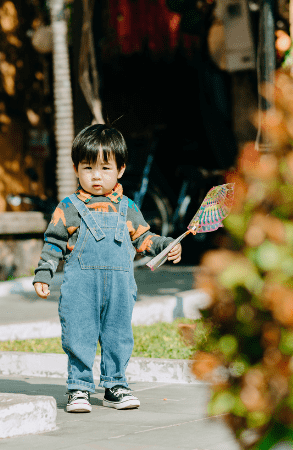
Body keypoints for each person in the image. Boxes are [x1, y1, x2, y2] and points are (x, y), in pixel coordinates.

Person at [33, 124, 183, 413]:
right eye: (88, 168)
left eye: (105, 168)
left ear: (121, 169)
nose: (96, 176)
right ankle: (79, 388)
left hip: (119, 288)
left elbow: (142, 238)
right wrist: (44, 274)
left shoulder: (127, 207)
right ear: (76, 168)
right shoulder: (69, 207)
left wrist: (165, 244)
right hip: (80, 287)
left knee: (118, 335)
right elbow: (53, 242)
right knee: (79, 333)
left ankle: (115, 385)